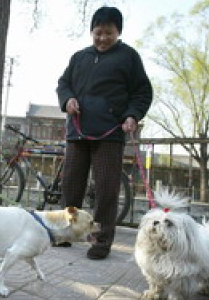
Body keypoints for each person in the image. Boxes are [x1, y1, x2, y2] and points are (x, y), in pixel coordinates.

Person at [56, 6, 153, 259]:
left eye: (108, 33)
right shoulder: (79, 57)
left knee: (107, 189)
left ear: (118, 32)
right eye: (98, 32)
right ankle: (65, 232)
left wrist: (132, 114)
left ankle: (101, 241)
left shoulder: (129, 57)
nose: (102, 38)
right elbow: (63, 84)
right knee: (71, 187)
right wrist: (67, 100)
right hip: (77, 131)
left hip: (110, 133)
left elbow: (142, 92)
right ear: (92, 32)